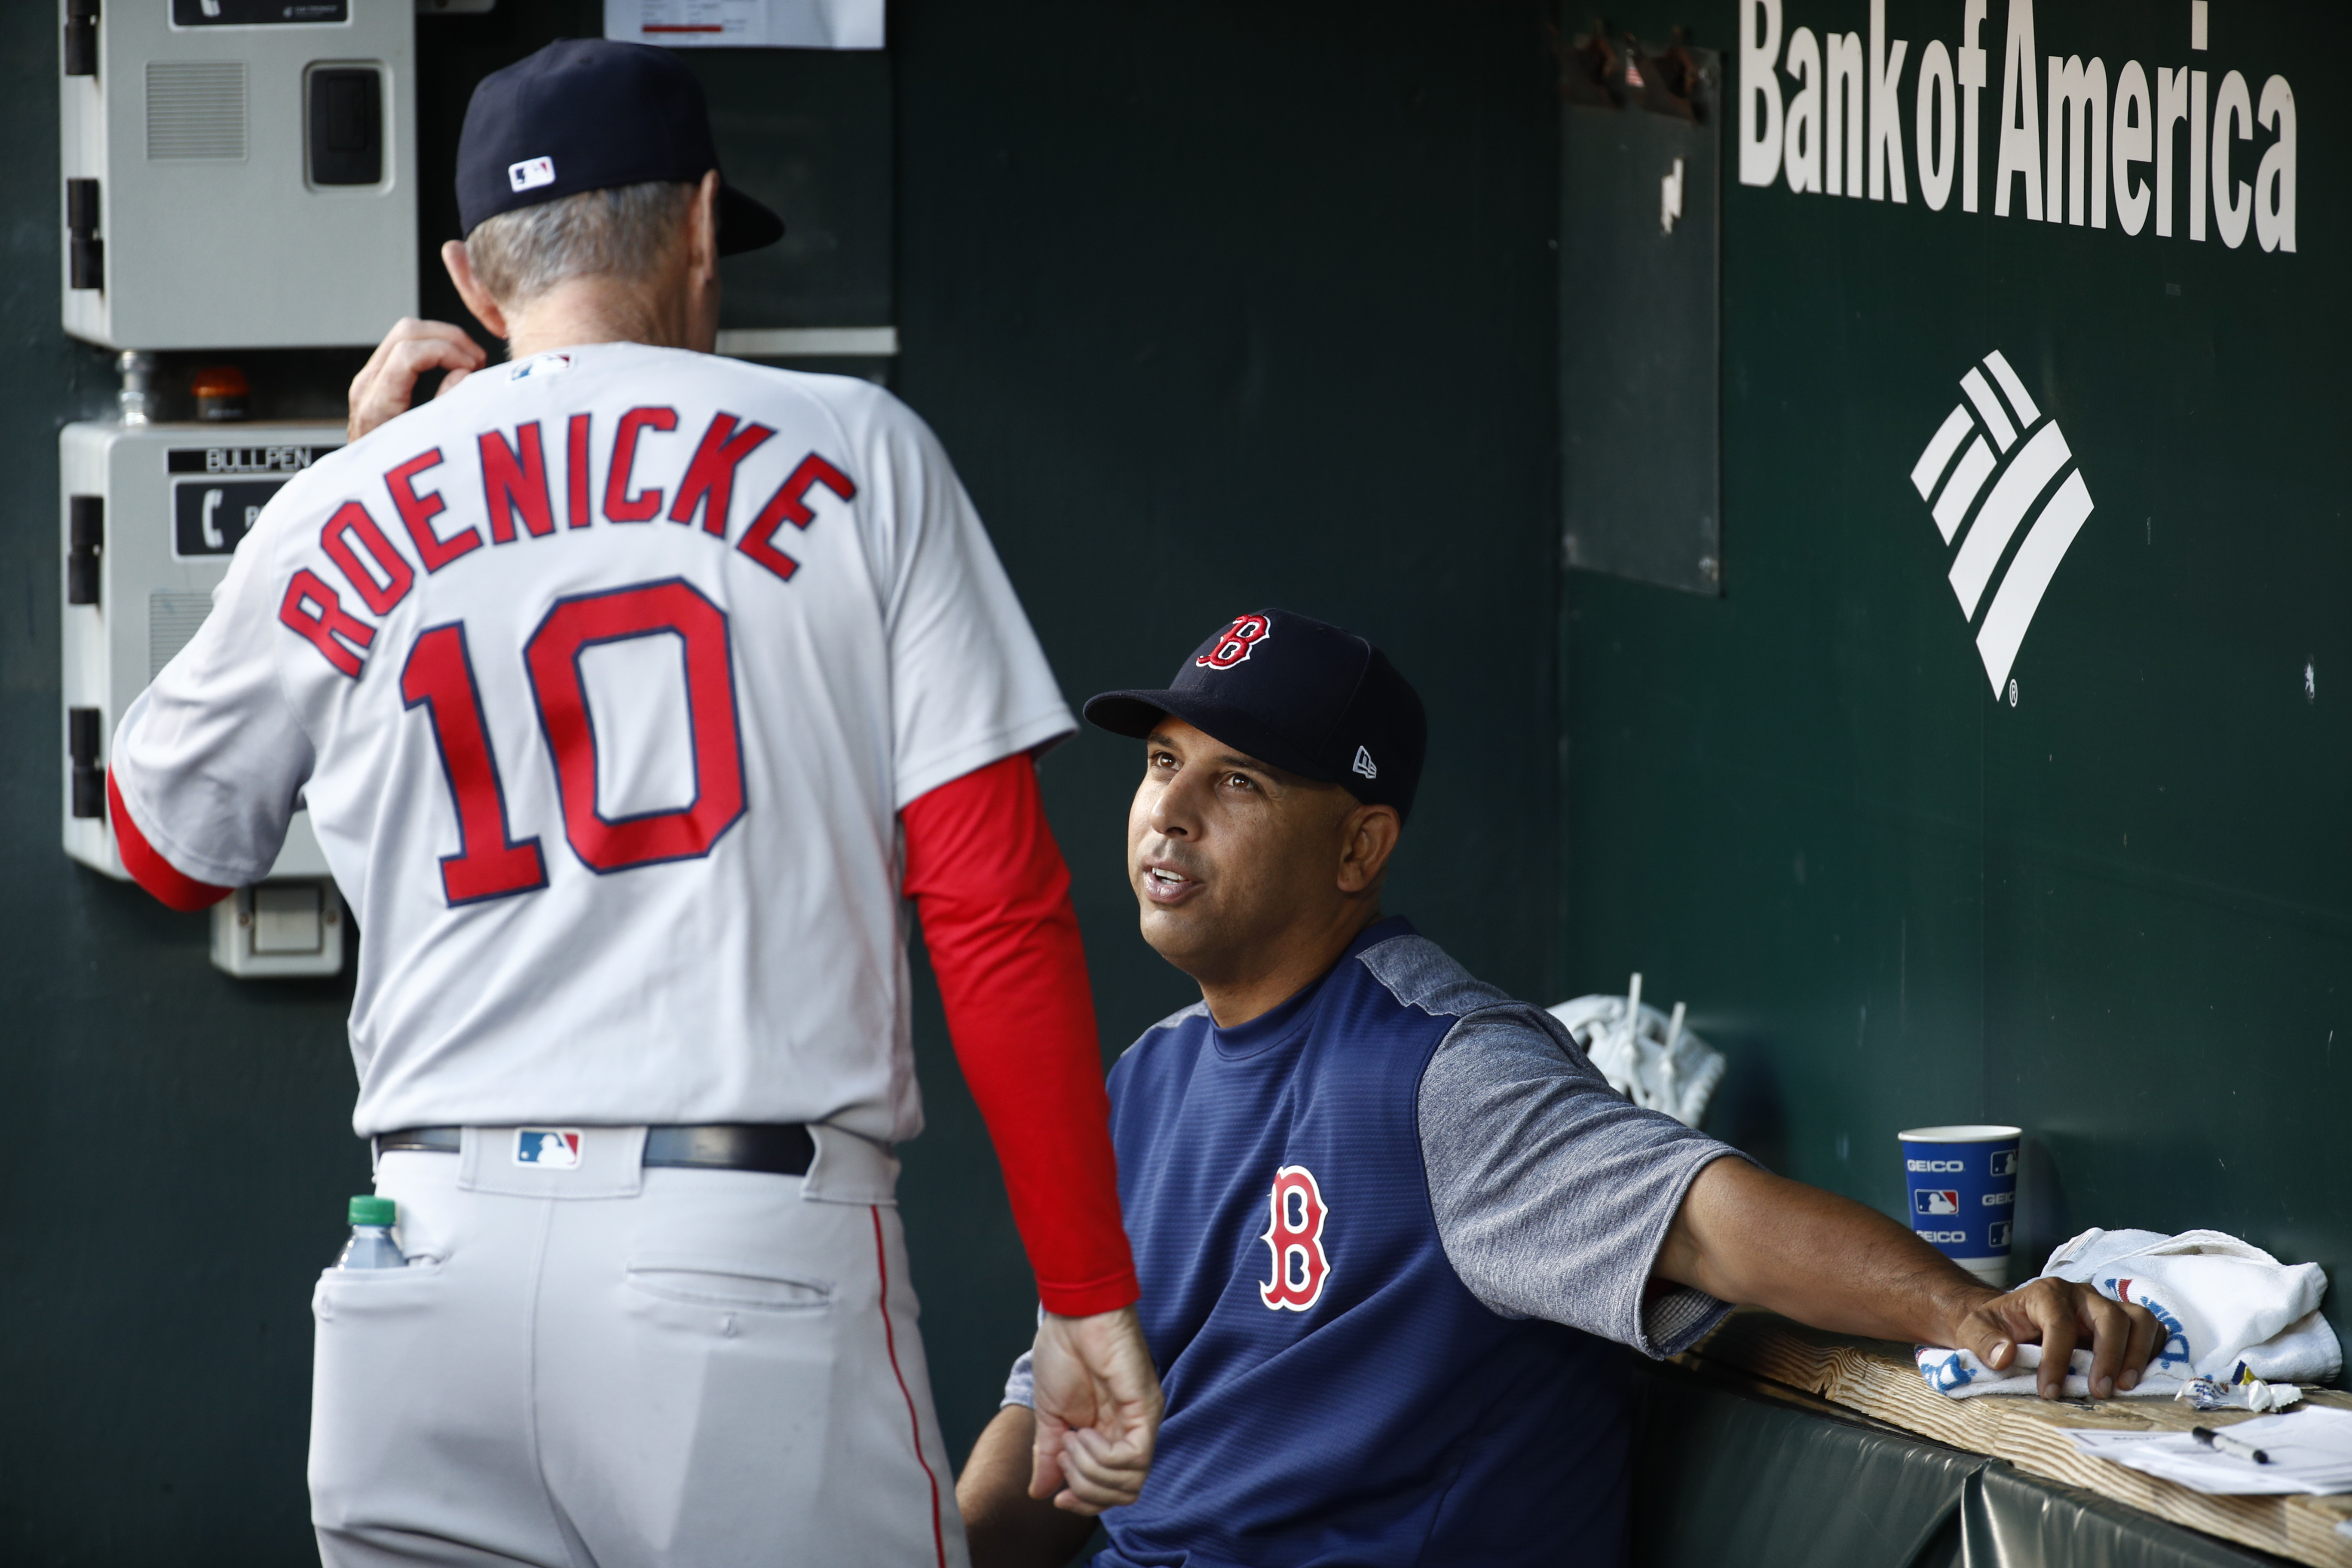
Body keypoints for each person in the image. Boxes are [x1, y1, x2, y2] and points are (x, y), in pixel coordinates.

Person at [105, 39, 1158, 1567]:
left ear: (473, 280)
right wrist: (1081, 1293)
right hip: (737, 1269)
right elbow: (995, 909)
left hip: (424, 1278)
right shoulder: (860, 453)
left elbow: (163, 852)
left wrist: (351, 507)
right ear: (704, 226)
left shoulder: (343, 507)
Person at [954, 609, 2164, 1568]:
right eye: (1164, 765)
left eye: (1237, 785)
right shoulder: (1146, 1081)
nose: (1166, 813)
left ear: (1360, 848)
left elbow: (1711, 1220)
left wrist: (1962, 1311)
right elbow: (1056, 1435)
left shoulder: (1442, 1069)